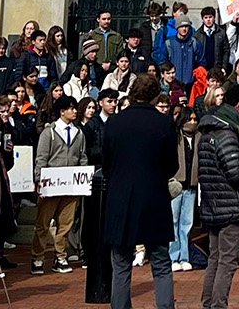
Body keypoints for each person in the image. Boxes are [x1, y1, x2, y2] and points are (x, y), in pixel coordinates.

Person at [99, 73, 179, 309]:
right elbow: (172, 164)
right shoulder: (164, 123)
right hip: (153, 196)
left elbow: (107, 163)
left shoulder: (114, 122)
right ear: (155, 95)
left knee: (121, 264)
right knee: (161, 263)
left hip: (121, 197)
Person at [196, 82, 239, 309]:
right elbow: (235, 173)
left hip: (213, 203)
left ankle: (209, 303)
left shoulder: (207, 131)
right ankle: (218, 305)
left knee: (215, 258)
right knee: (227, 261)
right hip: (231, 204)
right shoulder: (228, 133)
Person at [33, 96, 88, 274]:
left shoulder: (79, 133)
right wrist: (39, 181)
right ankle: (38, 258)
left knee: (65, 224)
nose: (74, 111)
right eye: (70, 108)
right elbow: (41, 158)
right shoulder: (49, 132)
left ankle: (60, 257)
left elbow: (82, 157)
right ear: (61, 111)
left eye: (74, 108)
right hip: (51, 184)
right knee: (43, 223)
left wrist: (82, 179)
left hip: (71, 185)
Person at [168, 107, 198, 273]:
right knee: (173, 221)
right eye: (190, 119)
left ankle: (184, 257)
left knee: (187, 223)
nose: (193, 122)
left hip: (191, 186)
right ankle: (173, 256)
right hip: (176, 185)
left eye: (195, 119)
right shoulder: (175, 136)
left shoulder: (198, 137)